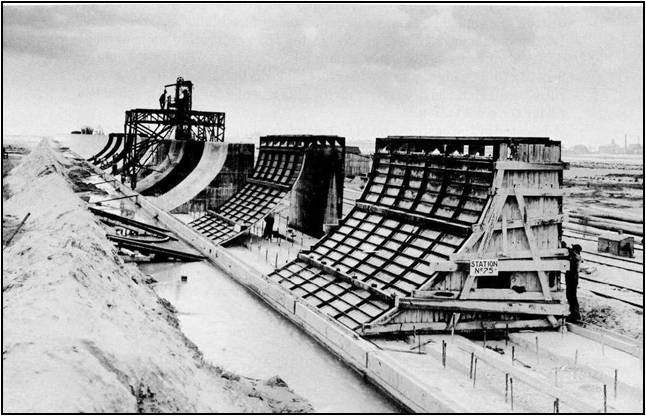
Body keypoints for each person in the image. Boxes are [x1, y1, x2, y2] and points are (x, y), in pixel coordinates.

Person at [564, 243, 582, 322]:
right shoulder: (576, 256)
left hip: (572, 278)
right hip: (572, 278)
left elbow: (571, 253)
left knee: (571, 296)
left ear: (575, 250)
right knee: (571, 296)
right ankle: (574, 314)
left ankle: (575, 315)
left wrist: (566, 248)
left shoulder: (576, 257)